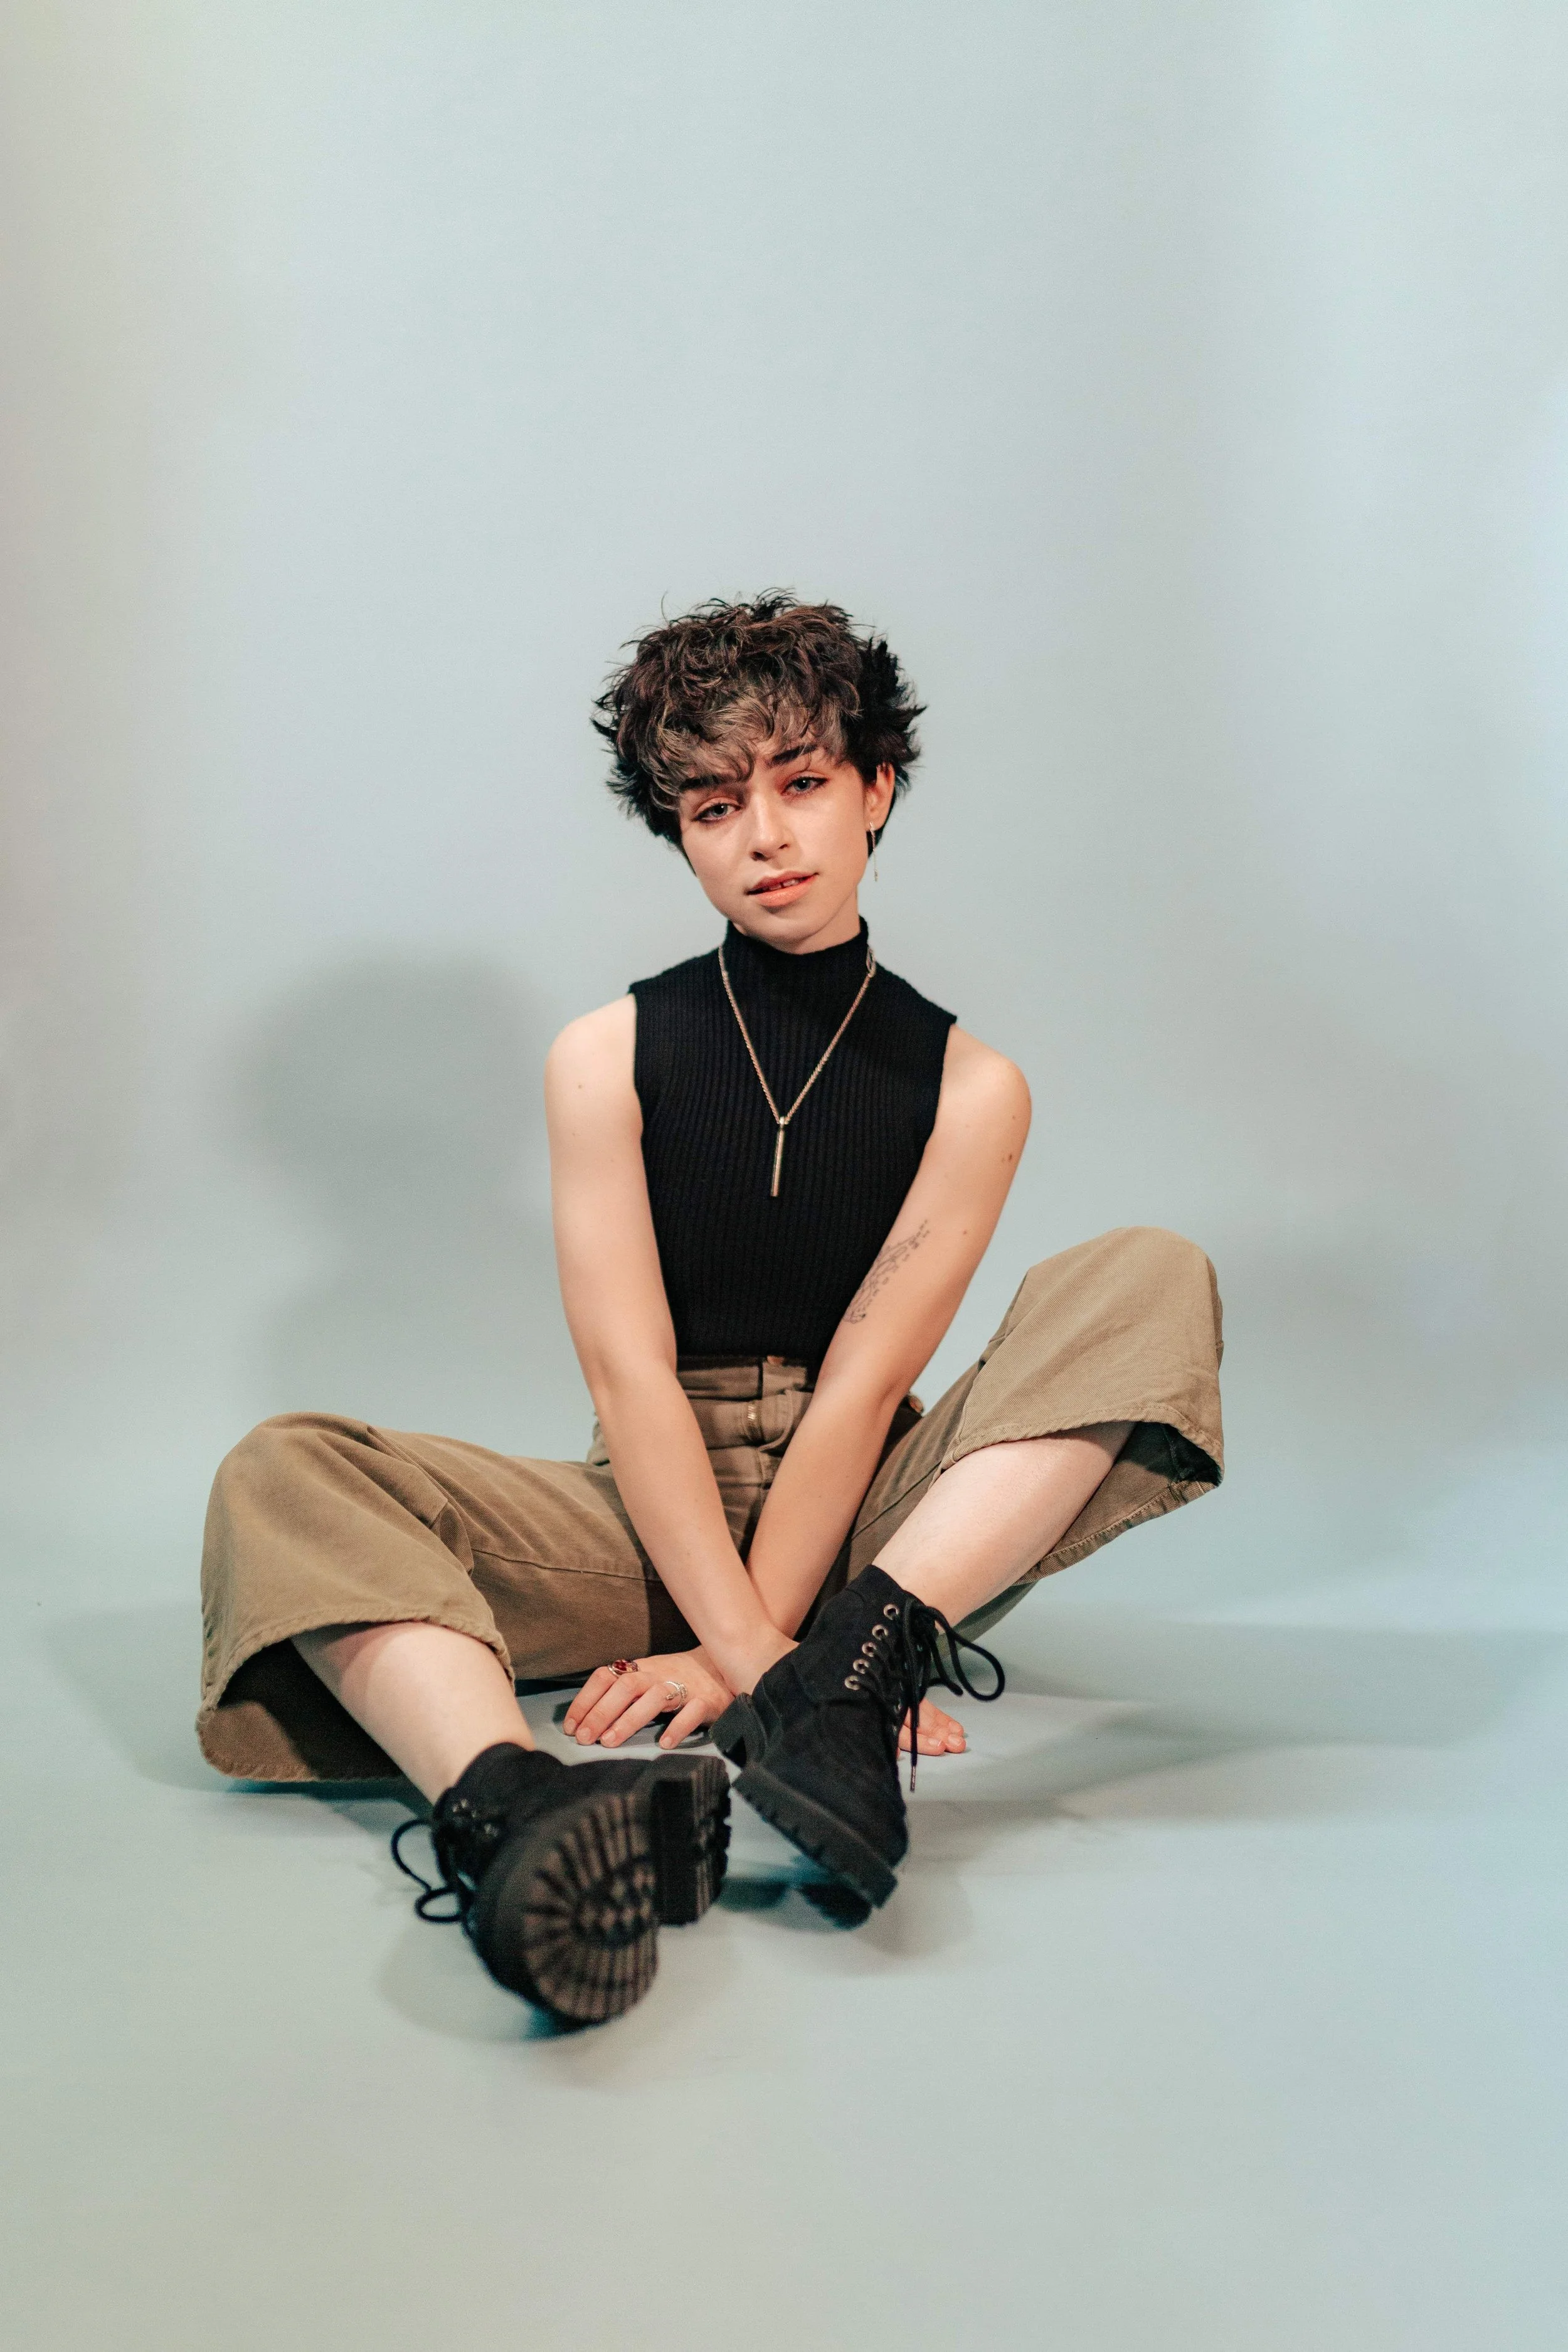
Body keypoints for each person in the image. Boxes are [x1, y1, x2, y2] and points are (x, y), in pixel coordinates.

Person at [198, 594, 1224, 2029]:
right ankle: (514, 1809)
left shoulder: (972, 1088)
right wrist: (756, 1669)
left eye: (800, 783)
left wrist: (787, 1657)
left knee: (1150, 1274)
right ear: (677, 831)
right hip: (643, 1515)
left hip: (882, 1536)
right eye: (713, 806)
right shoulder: (602, 1057)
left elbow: (860, 1389)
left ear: (875, 788)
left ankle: (861, 1667)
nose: (764, 838)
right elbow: (629, 1380)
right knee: (282, 1472)